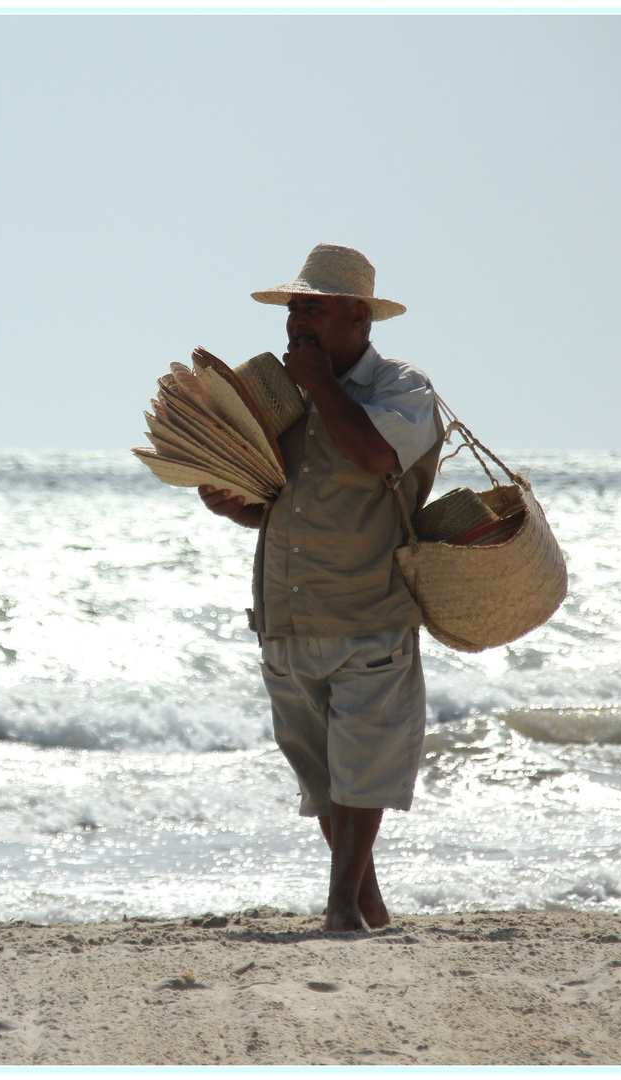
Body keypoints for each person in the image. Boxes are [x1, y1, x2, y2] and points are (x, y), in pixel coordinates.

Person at [198, 243, 443, 932]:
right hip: (286, 617)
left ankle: (339, 906)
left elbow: (374, 458)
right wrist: (234, 504)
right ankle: (366, 903)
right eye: (292, 309)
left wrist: (321, 388)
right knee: (323, 780)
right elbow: (279, 503)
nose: (296, 322)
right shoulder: (280, 395)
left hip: (369, 613)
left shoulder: (401, 389)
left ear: (358, 317)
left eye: (313, 308)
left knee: (361, 773)